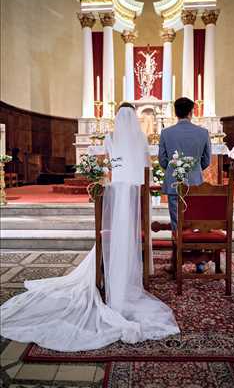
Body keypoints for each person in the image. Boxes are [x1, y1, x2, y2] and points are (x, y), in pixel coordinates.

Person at [0, 104, 179, 352]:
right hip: (136, 199)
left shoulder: (109, 138)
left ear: (117, 118)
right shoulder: (140, 138)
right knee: (137, 229)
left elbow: (107, 170)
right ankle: (138, 271)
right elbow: (146, 167)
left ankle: (109, 272)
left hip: (116, 197)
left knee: (114, 230)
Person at [158, 97, 211, 273]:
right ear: (191, 112)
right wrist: (193, 170)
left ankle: (177, 262)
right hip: (196, 184)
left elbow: (163, 160)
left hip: (174, 183)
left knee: (177, 224)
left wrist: (176, 169)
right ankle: (199, 262)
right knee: (196, 223)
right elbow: (206, 160)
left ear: (175, 112)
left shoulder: (166, 133)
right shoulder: (203, 132)